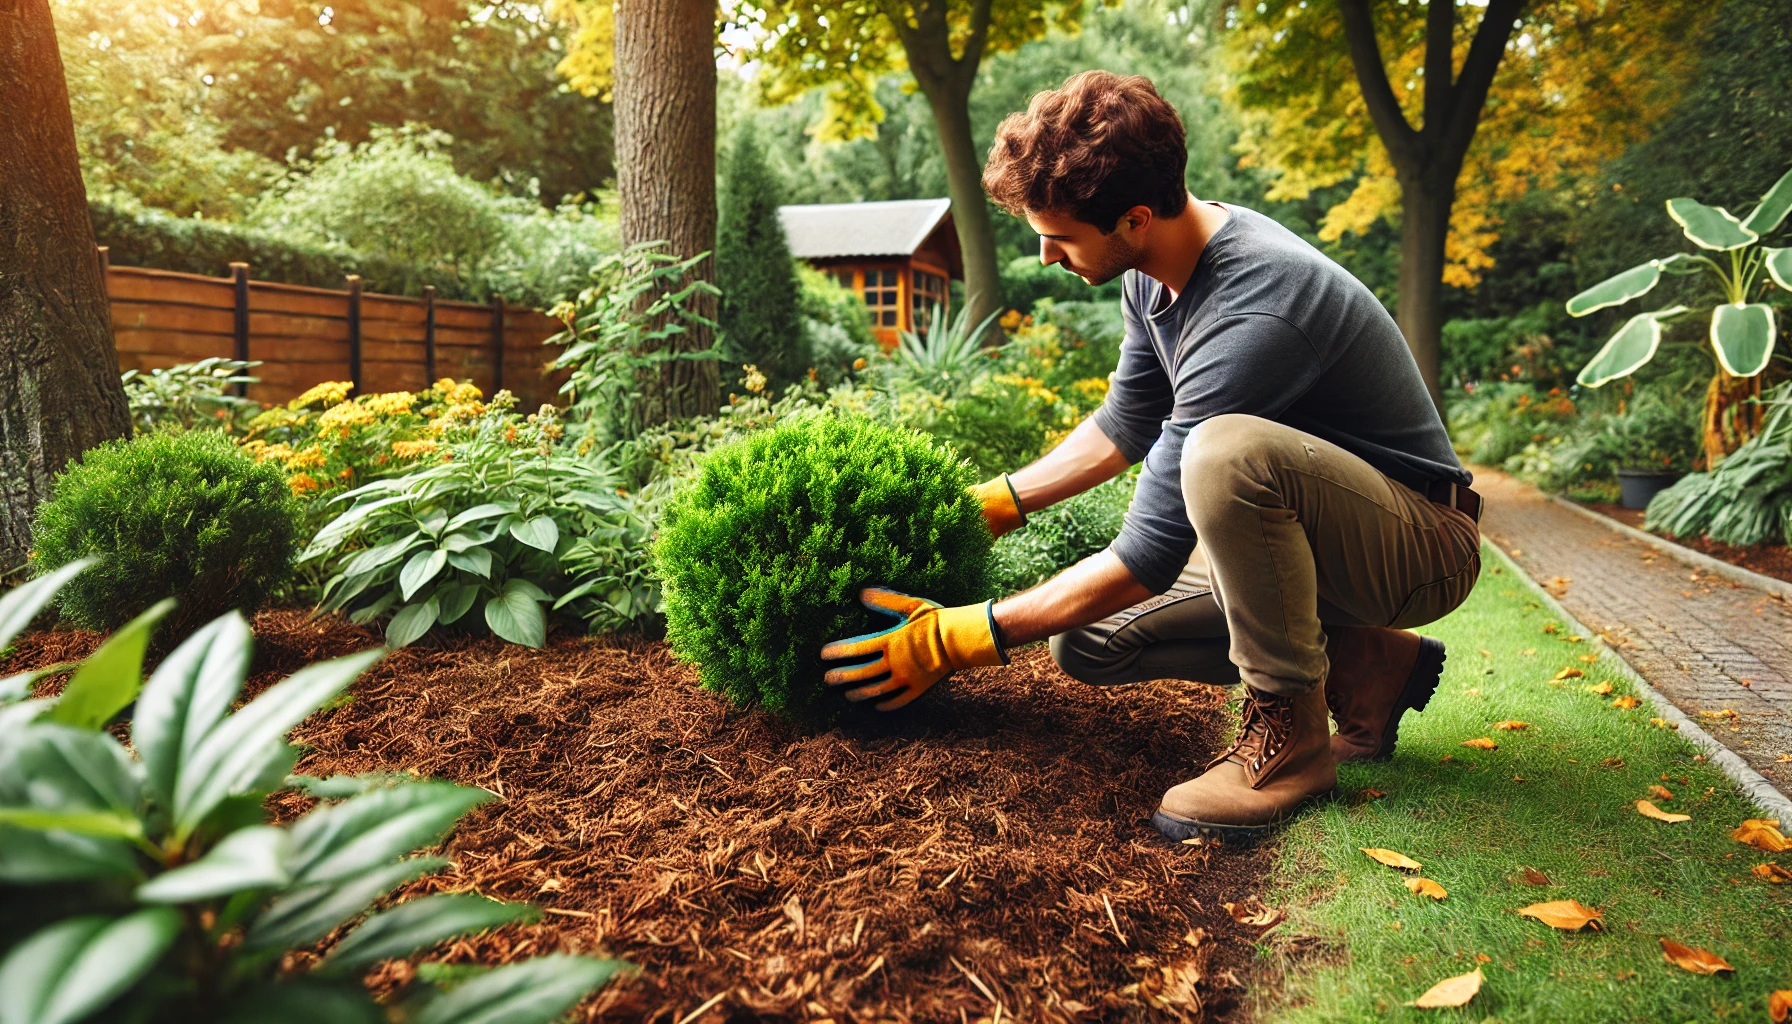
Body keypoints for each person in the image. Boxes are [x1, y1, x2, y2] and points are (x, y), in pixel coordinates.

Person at [819, 71, 1482, 842]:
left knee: (1222, 453)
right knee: (1088, 640)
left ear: (1135, 218)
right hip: (1326, 536)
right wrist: (991, 505)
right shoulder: (1156, 271)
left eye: (1060, 237)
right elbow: (1123, 425)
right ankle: (1370, 666)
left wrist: (954, 639)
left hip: (1419, 543)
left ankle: (1293, 745)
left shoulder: (1257, 304)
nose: (1043, 255)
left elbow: (1145, 558)